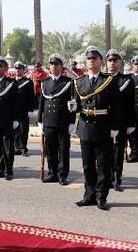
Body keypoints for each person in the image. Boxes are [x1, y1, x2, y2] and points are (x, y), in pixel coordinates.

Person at [71, 46, 120, 210]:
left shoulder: (109, 81)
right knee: (87, 165)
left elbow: (116, 107)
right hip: (85, 127)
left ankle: (101, 197)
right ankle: (89, 195)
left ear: (101, 61)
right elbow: (78, 104)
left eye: (95, 58)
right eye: (89, 58)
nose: (91, 61)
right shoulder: (79, 82)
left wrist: (114, 127)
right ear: (86, 62)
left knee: (103, 165)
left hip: (103, 126)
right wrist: (73, 108)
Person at [38, 54, 75, 185]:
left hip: (62, 121)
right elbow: (42, 103)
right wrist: (40, 120)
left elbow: (72, 104)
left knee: (63, 150)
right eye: (52, 64)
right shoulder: (45, 83)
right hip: (48, 121)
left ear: (61, 66)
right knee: (51, 149)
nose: (54, 66)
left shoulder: (68, 83)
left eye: (57, 64)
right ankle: (52, 173)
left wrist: (72, 122)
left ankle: (62, 175)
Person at [105, 49, 136, 192]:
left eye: (115, 61)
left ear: (120, 63)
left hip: (120, 122)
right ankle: (105, 178)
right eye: (110, 61)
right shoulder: (102, 79)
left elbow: (131, 104)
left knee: (117, 152)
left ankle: (116, 179)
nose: (112, 63)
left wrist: (131, 123)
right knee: (104, 152)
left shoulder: (126, 81)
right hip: (103, 122)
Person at [13, 62, 36, 156]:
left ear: (23, 70)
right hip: (14, 110)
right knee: (15, 130)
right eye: (17, 69)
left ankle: (23, 147)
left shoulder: (28, 82)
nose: (18, 70)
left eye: (20, 69)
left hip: (24, 110)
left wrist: (31, 110)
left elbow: (31, 97)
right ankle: (16, 147)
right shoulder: (12, 82)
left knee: (23, 130)